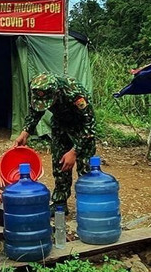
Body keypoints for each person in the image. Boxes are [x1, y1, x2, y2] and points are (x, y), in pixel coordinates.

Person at [13, 73, 96, 208]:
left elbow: (90, 125)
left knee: (86, 168)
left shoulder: (75, 93)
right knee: (60, 165)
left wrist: (74, 152)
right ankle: (60, 204)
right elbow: (36, 111)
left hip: (81, 127)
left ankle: (87, 204)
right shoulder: (36, 88)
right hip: (60, 125)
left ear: (56, 92)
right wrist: (25, 132)